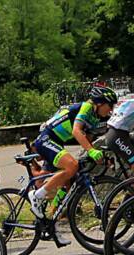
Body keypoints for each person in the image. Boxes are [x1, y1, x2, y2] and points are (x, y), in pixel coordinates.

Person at [28, 86, 118, 245]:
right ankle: (36, 196)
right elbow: (77, 131)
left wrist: (99, 156)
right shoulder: (86, 107)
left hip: (57, 142)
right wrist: (90, 151)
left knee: (66, 184)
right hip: (46, 139)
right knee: (72, 166)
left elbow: (88, 139)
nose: (111, 110)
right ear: (99, 103)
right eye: (109, 105)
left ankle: (51, 225)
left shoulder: (95, 117)